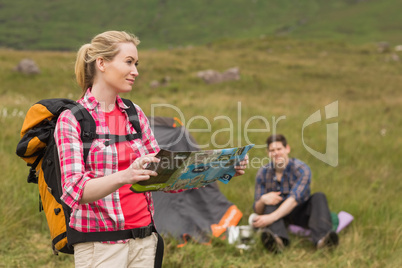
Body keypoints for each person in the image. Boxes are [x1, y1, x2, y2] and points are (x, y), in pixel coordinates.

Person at [54, 30, 248, 267]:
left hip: (145, 240)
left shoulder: (134, 113)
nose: (135, 71)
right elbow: (75, 191)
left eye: (136, 63)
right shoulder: (72, 119)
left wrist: (220, 168)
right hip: (100, 245)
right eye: (128, 62)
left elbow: (164, 177)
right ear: (102, 63)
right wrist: (125, 176)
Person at [252, 134, 338, 253]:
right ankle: (278, 241)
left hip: (300, 211)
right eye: (272, 150)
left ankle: (322, 241)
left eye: (279, 149)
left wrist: (270, 218)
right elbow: (258, 210)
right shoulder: (263, 173)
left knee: (319, 197)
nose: (276, 153)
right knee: (269, 202)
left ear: (287, 149)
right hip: (279, 216)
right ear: (268, 153)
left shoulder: (302, 169)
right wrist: (262, 200)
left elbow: (294, 200)